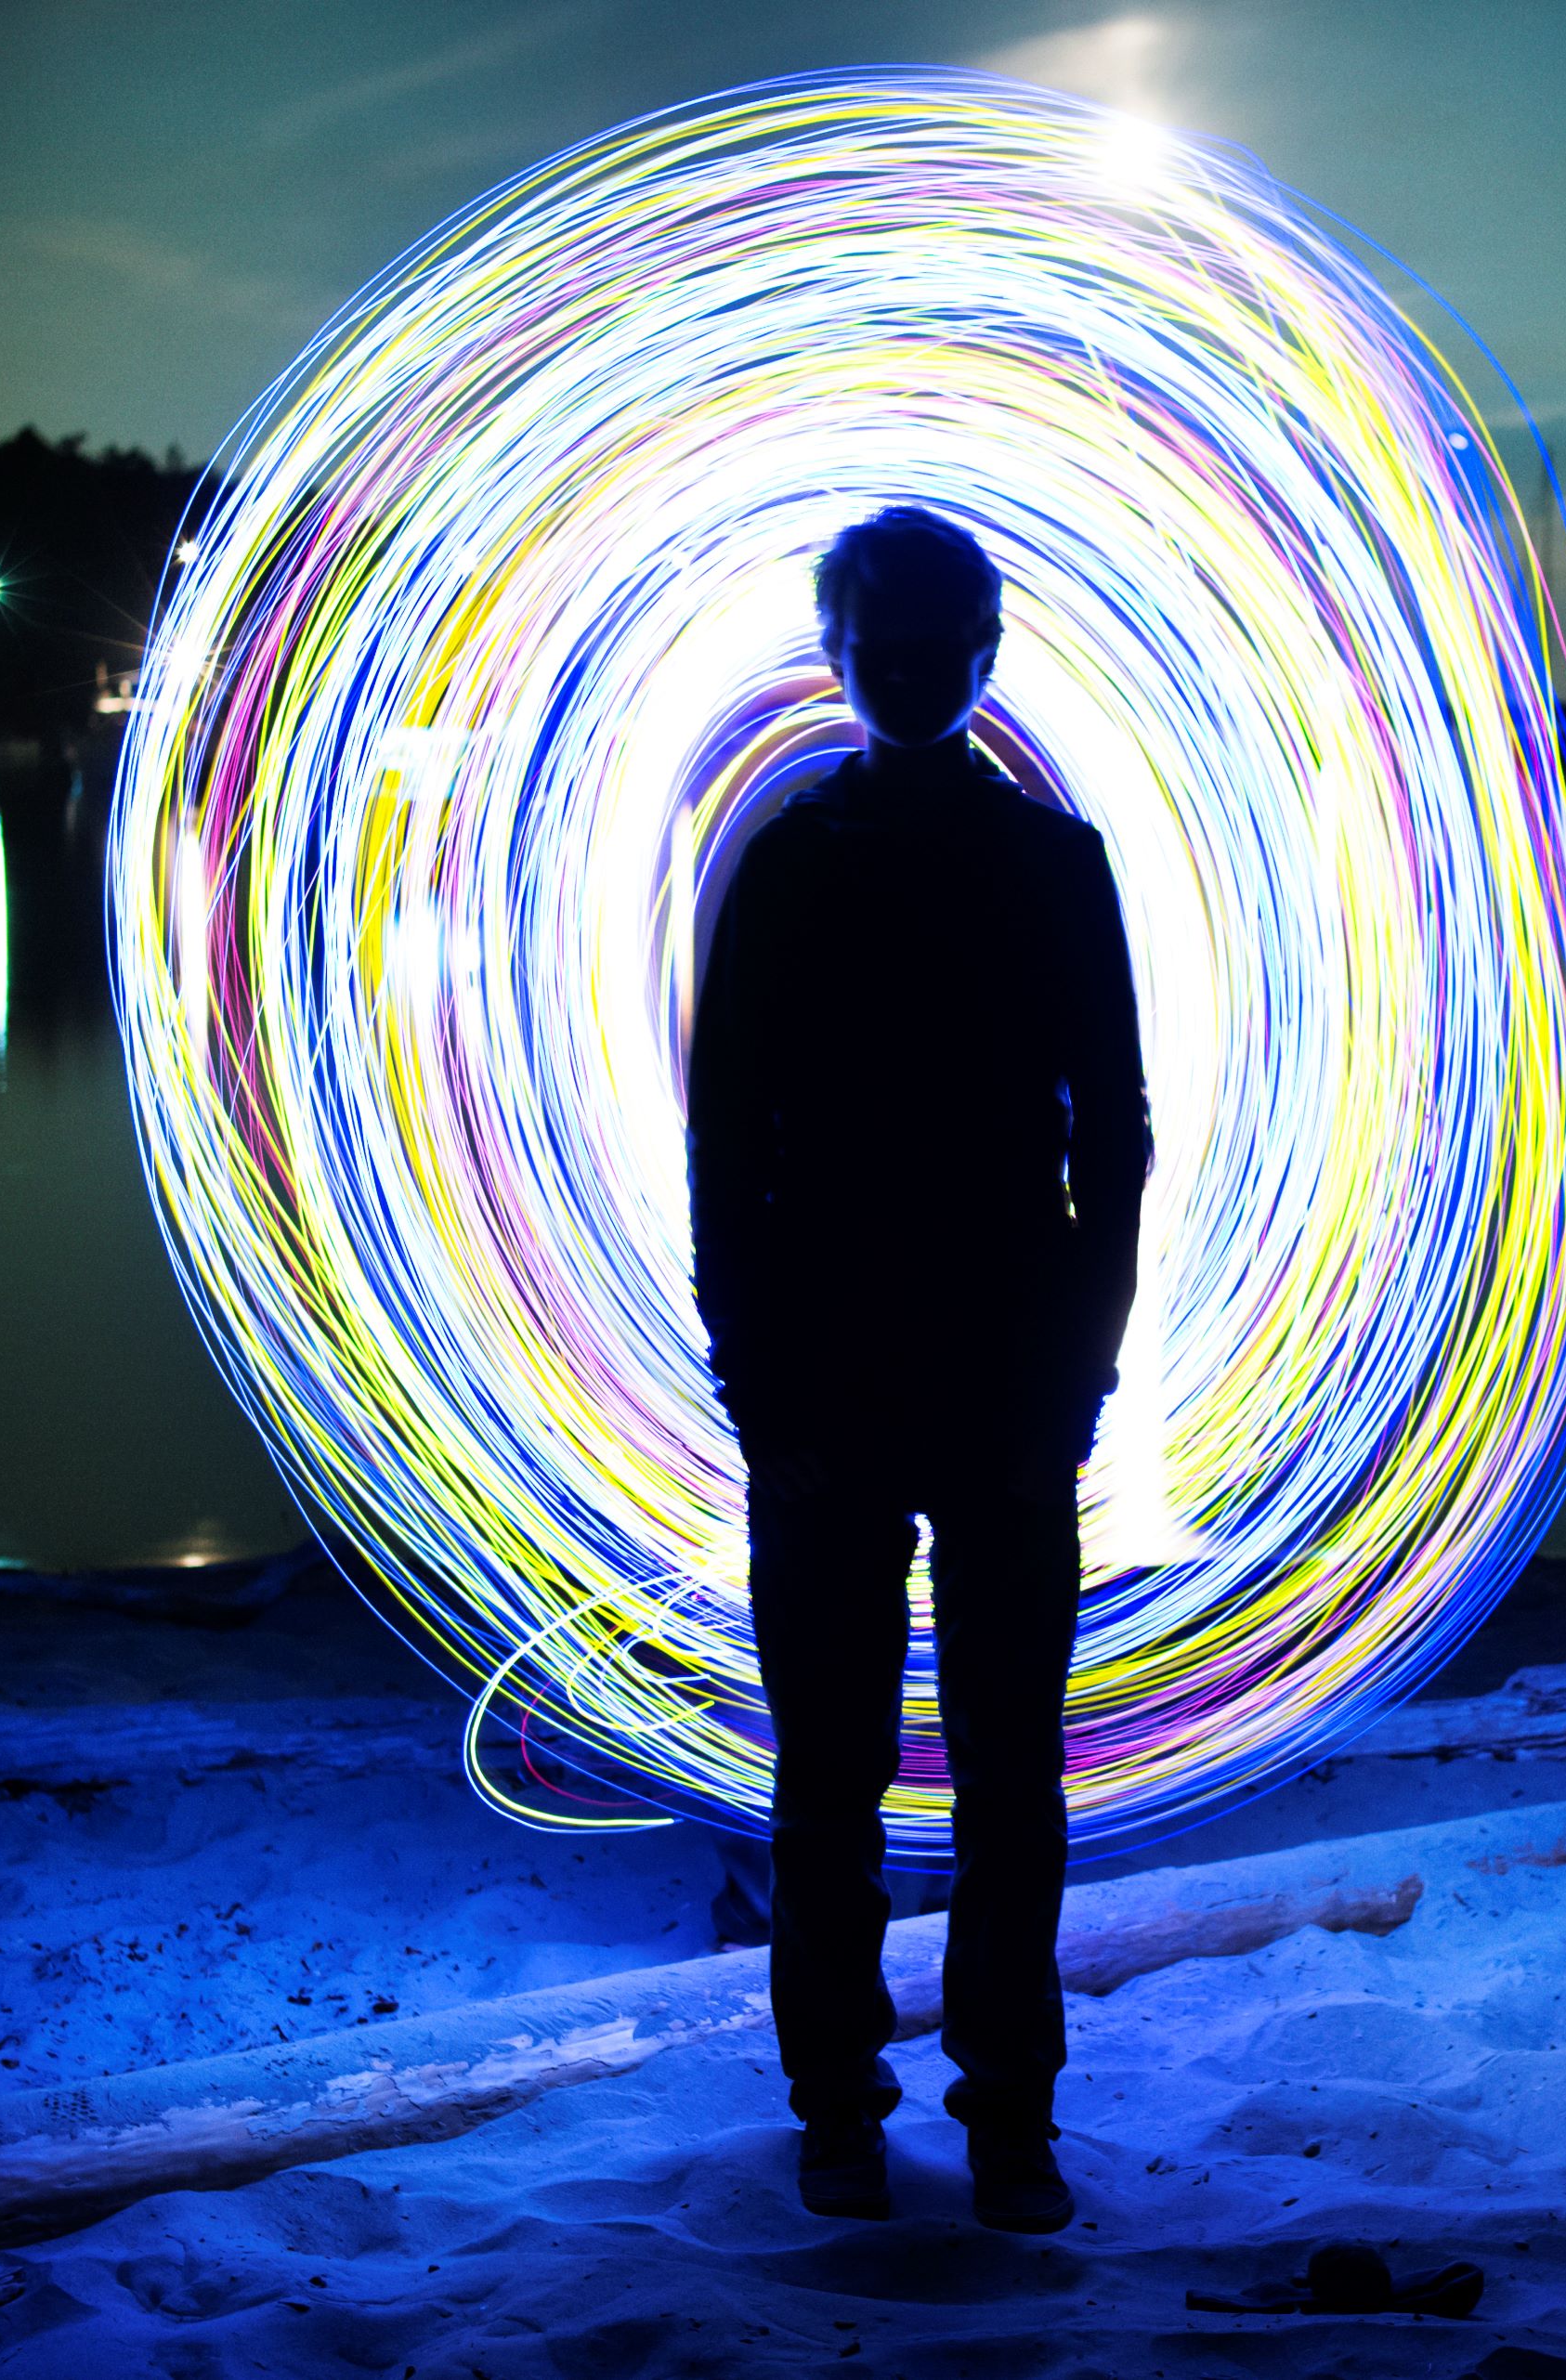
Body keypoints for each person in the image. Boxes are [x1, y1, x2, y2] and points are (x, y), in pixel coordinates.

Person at [685, 505, 1150, 2232]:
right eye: (881, 640)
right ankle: (850, 2113)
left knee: (1000, 1783)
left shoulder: (1045, 864)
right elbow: (727, 1146)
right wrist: (766, 1402)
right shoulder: (798, 864)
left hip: (992, 1387)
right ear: (838, 652)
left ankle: (999, 2122)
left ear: (983, 653)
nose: (908, 667)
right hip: (849, 1387)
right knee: (836, 1783)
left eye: (936, 639)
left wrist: (1072, 1397)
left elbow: (1117, 1131)